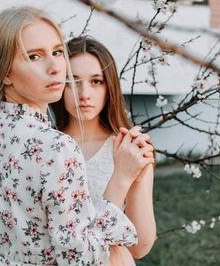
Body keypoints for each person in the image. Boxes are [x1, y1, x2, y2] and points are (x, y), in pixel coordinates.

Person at [0, 6, 155, 266]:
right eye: (34, 57)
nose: (56, 67)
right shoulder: (57, 147)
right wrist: (121, 178)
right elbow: (82, 258)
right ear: (5, 73)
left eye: (58, 52)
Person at [52, 36, 156, 265]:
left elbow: (141, 247)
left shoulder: (129, 148)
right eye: (72, 81)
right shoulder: (45, 148)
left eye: (96, 81)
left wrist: (134, 177)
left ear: (110, 86)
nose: (84, 94)